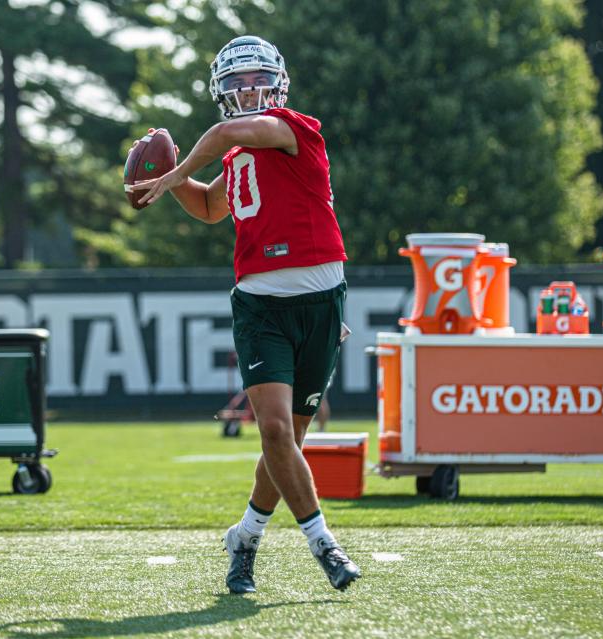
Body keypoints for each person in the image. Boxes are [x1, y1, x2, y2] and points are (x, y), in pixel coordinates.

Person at [131, 35, 361, 593]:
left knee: (288, 443)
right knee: (277, 430)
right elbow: (211, 208)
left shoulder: (293, 129)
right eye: (235, 82)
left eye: (256, 77)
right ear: (221, 91)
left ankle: (247, 535)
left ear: (277, 82)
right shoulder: (235, 159)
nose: (247, 88)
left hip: (320, 301)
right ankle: (324, 544)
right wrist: (174, 177)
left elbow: (225, 134)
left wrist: (176, 165)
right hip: (260, 305)